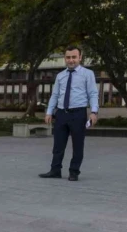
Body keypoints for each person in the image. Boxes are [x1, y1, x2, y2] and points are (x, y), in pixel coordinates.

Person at [39, 45, 99, 181]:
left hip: (78, 113)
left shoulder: (87, 74)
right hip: (61, 113)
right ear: (64, 58)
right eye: (68, 57)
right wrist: (49, 112)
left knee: (78, 145)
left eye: (74, 57)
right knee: (58, 144)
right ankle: (55, 170)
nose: (71, 60)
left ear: (80, 58)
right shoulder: (60, 76)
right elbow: (55, 95)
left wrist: (94, 111)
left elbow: (93, 94)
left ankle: (74, 172)